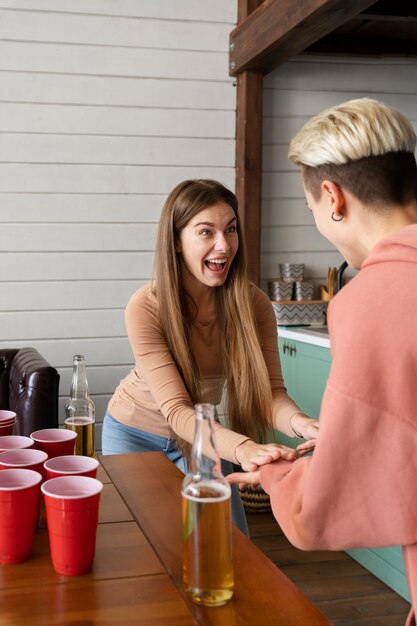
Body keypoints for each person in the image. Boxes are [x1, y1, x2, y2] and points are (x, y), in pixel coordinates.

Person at [228, 98, 417, 623]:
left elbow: (321, 512)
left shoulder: (367, 300)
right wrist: (340, 444)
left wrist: (278, 478)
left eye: (309, 207)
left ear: (332, 197)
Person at [102, 178, 319, 535]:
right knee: (144, 546)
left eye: (230, 229)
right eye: (206, 232)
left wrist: (301, 423)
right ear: (176, 240)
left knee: (231, 542)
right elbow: (176, 410)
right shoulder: (146, 306)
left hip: (199, 438)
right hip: (134, 434)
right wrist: (245, 449)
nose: (224, 245)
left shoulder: (254, 305)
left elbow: (269, 395)